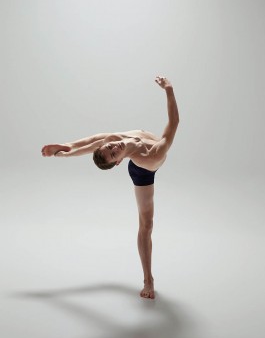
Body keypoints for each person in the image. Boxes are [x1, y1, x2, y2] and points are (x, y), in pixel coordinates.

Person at [41, 76, 179, 299]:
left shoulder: (115, 140)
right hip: (144, 171)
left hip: (133, 154)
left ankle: (64, 150)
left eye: (110, 147)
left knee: (97, 141)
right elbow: (173, 125)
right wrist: (169, 90)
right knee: (147, 224)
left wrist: (66, 148)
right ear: (118, 161)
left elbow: (93, 142)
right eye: (114, 153)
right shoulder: (152, 154)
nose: (115, 146)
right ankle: (148, 280)